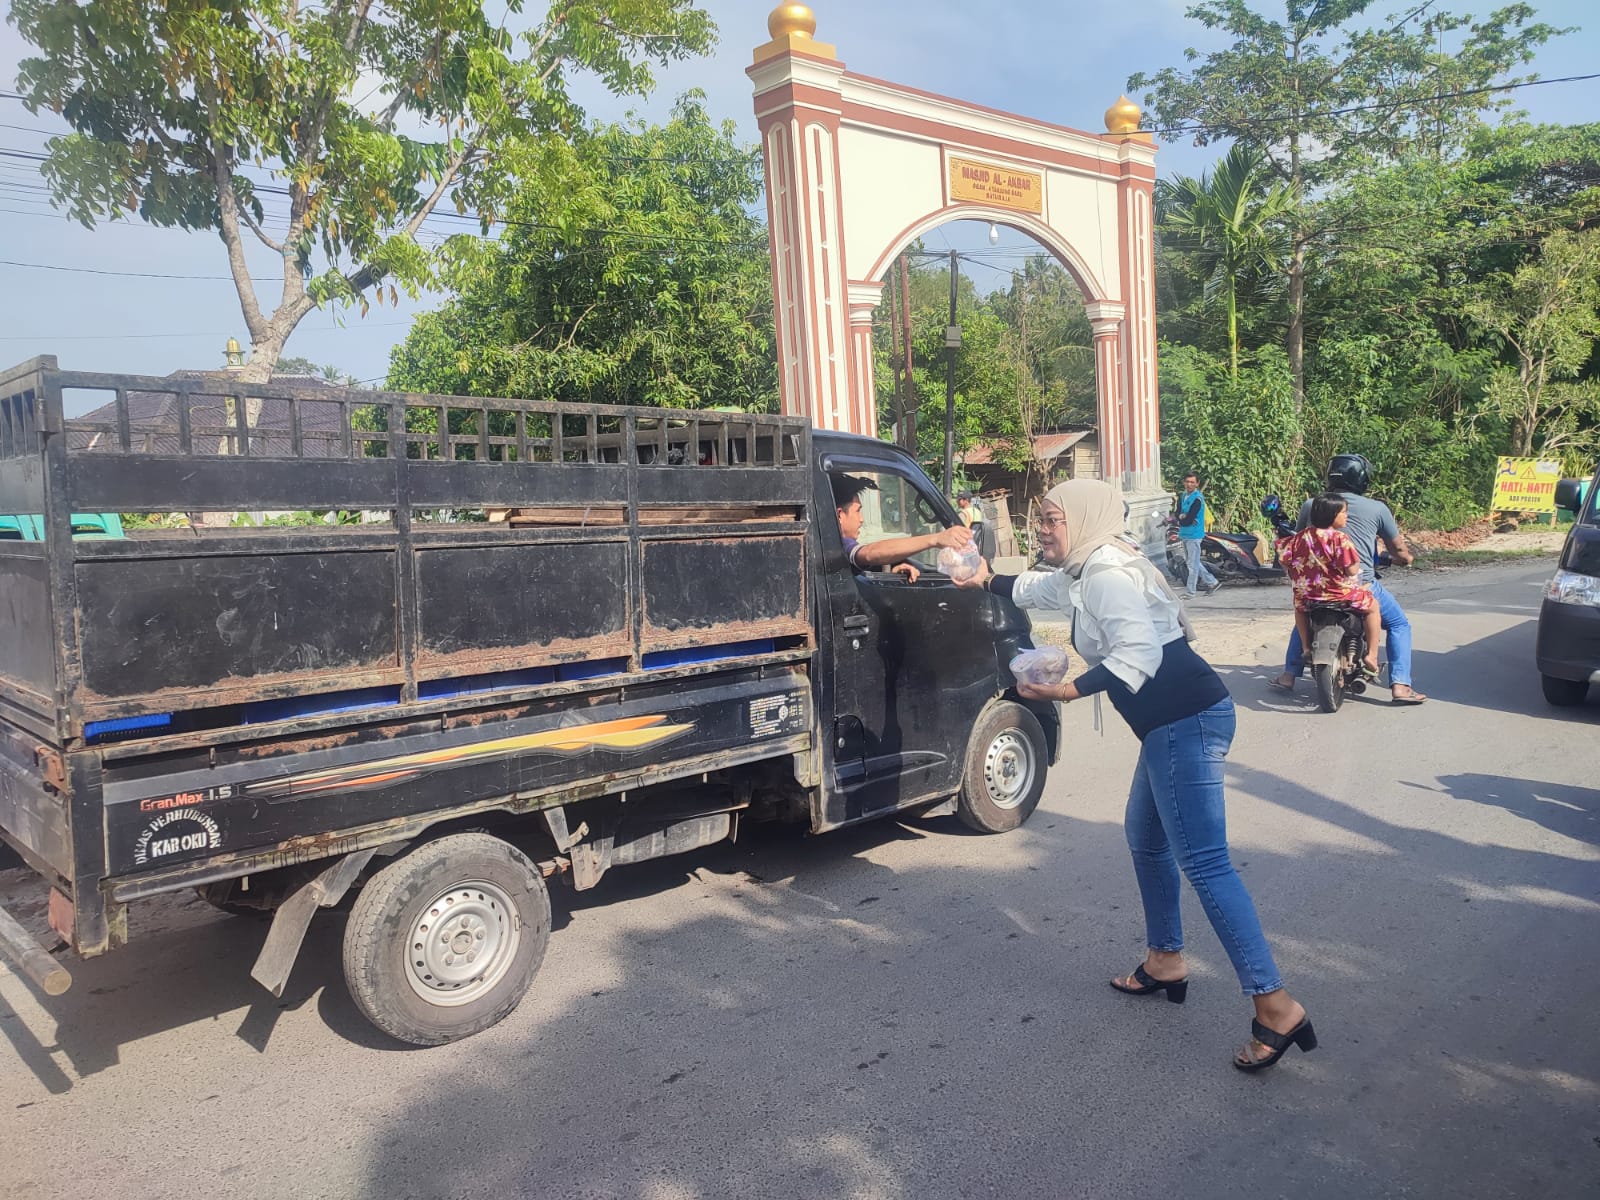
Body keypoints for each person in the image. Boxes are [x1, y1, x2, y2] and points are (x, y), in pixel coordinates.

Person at [959, 479, 1316, 1072]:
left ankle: (1274, 1003)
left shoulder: (1106, 573)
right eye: (1041, 518)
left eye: (1051, 519)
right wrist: (984, 578)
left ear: (1082, 519)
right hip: (1170, 727)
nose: (1042, 528)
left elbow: (1138, 654)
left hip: (1185, 721)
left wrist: (1066, 689)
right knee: (1146, 840)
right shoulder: (1089, 564)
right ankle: (1166, 959)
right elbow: (1042, 586)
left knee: (1204, 863)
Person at [1271, 454, 1426, 704]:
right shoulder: (1377, 508)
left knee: (1305, 615)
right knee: (1398, 624)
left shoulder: (1312, 504)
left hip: (1313, 588)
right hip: (1352, 584)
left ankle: (1289, 675)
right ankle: (1399, 684)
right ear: (1361, 478)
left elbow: (1296, 542)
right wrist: (1405, 558)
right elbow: (1396, 549)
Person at [1279, 494, 1383, 677]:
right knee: (1373, 607)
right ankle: (1372, 656)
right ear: (1332, 515)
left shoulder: (1300, 537)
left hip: (1308, 595)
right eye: (1344, 512)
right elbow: (1351, 571)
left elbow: (1284, 560)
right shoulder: (1339, 539)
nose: (1346, 516)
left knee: (1299, 609)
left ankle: (1305, 647)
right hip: (1340, 594)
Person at [832, 474, 972, 583]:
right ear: (840, 514)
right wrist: (935, 539)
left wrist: (892, 572)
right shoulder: (840, 544)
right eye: (857, 511)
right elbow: (869, 553)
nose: (861, 519)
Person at [1176, 473, 1220, 598]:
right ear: (1184, 482)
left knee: (1192, 565)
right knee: (1192, 563)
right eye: (1187, 481)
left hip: (1194, 535)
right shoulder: (1183, 495)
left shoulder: (1197, 499)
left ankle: (1190, 592)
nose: (1189, 484)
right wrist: (1182, 517)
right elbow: (1178, 513)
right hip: (1184, 533)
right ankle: (1212, 582)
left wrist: (1183, 518)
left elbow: (1188, 518)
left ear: (1197, 484)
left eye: (1192, 482)